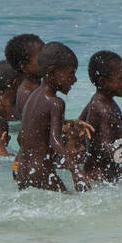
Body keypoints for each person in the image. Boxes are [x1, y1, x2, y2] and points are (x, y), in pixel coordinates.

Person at [14, 42, 89, 192]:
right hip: (41, 171)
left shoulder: (32, 95)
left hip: (21, 170)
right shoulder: (56, 103)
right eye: (70, 74)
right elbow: (55, 141)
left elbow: (20, 138)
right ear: (52, 72)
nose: (74, 80)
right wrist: (75, 170)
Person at [78, 51, 122, 182]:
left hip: (106, 168)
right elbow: (106, 146)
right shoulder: (104, 108)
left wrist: (118, 120)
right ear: (103, 81)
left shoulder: (97, 101)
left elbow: (81, 123)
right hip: (100, 174)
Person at [5, 34, 45, 118]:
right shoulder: (27, 93)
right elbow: (32, 124)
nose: (47, 58)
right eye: (41, 56)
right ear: (23, 65)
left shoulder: (37, 87)